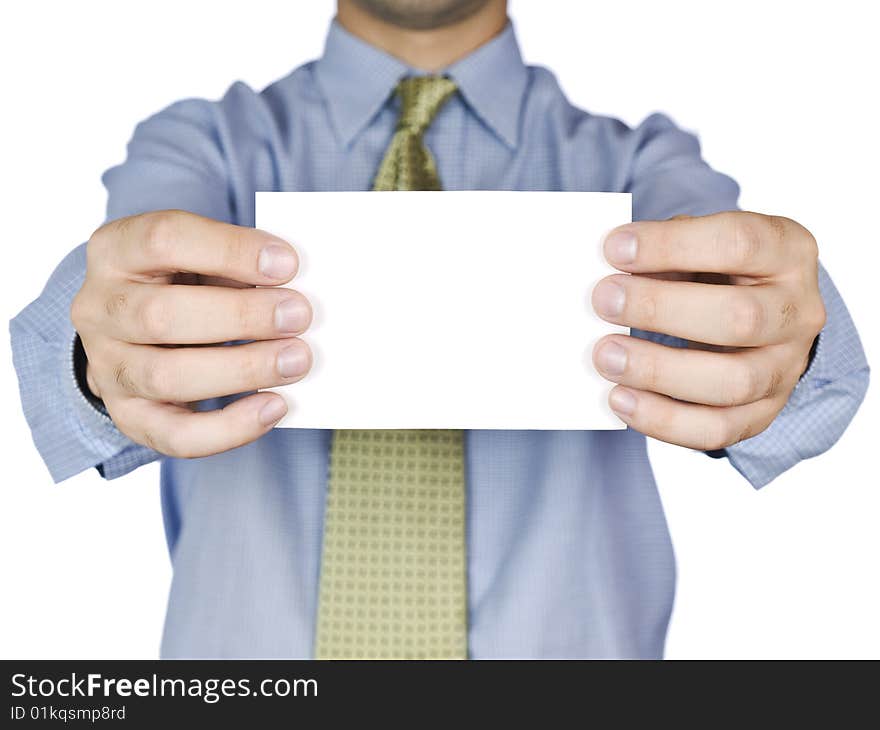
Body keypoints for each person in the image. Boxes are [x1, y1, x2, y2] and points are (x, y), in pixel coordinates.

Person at [10, 0, 869, 659]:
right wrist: (103, 362)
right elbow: (84, 326)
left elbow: (794, 353)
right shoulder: (203, 148)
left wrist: (780, 337)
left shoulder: (640, 165)